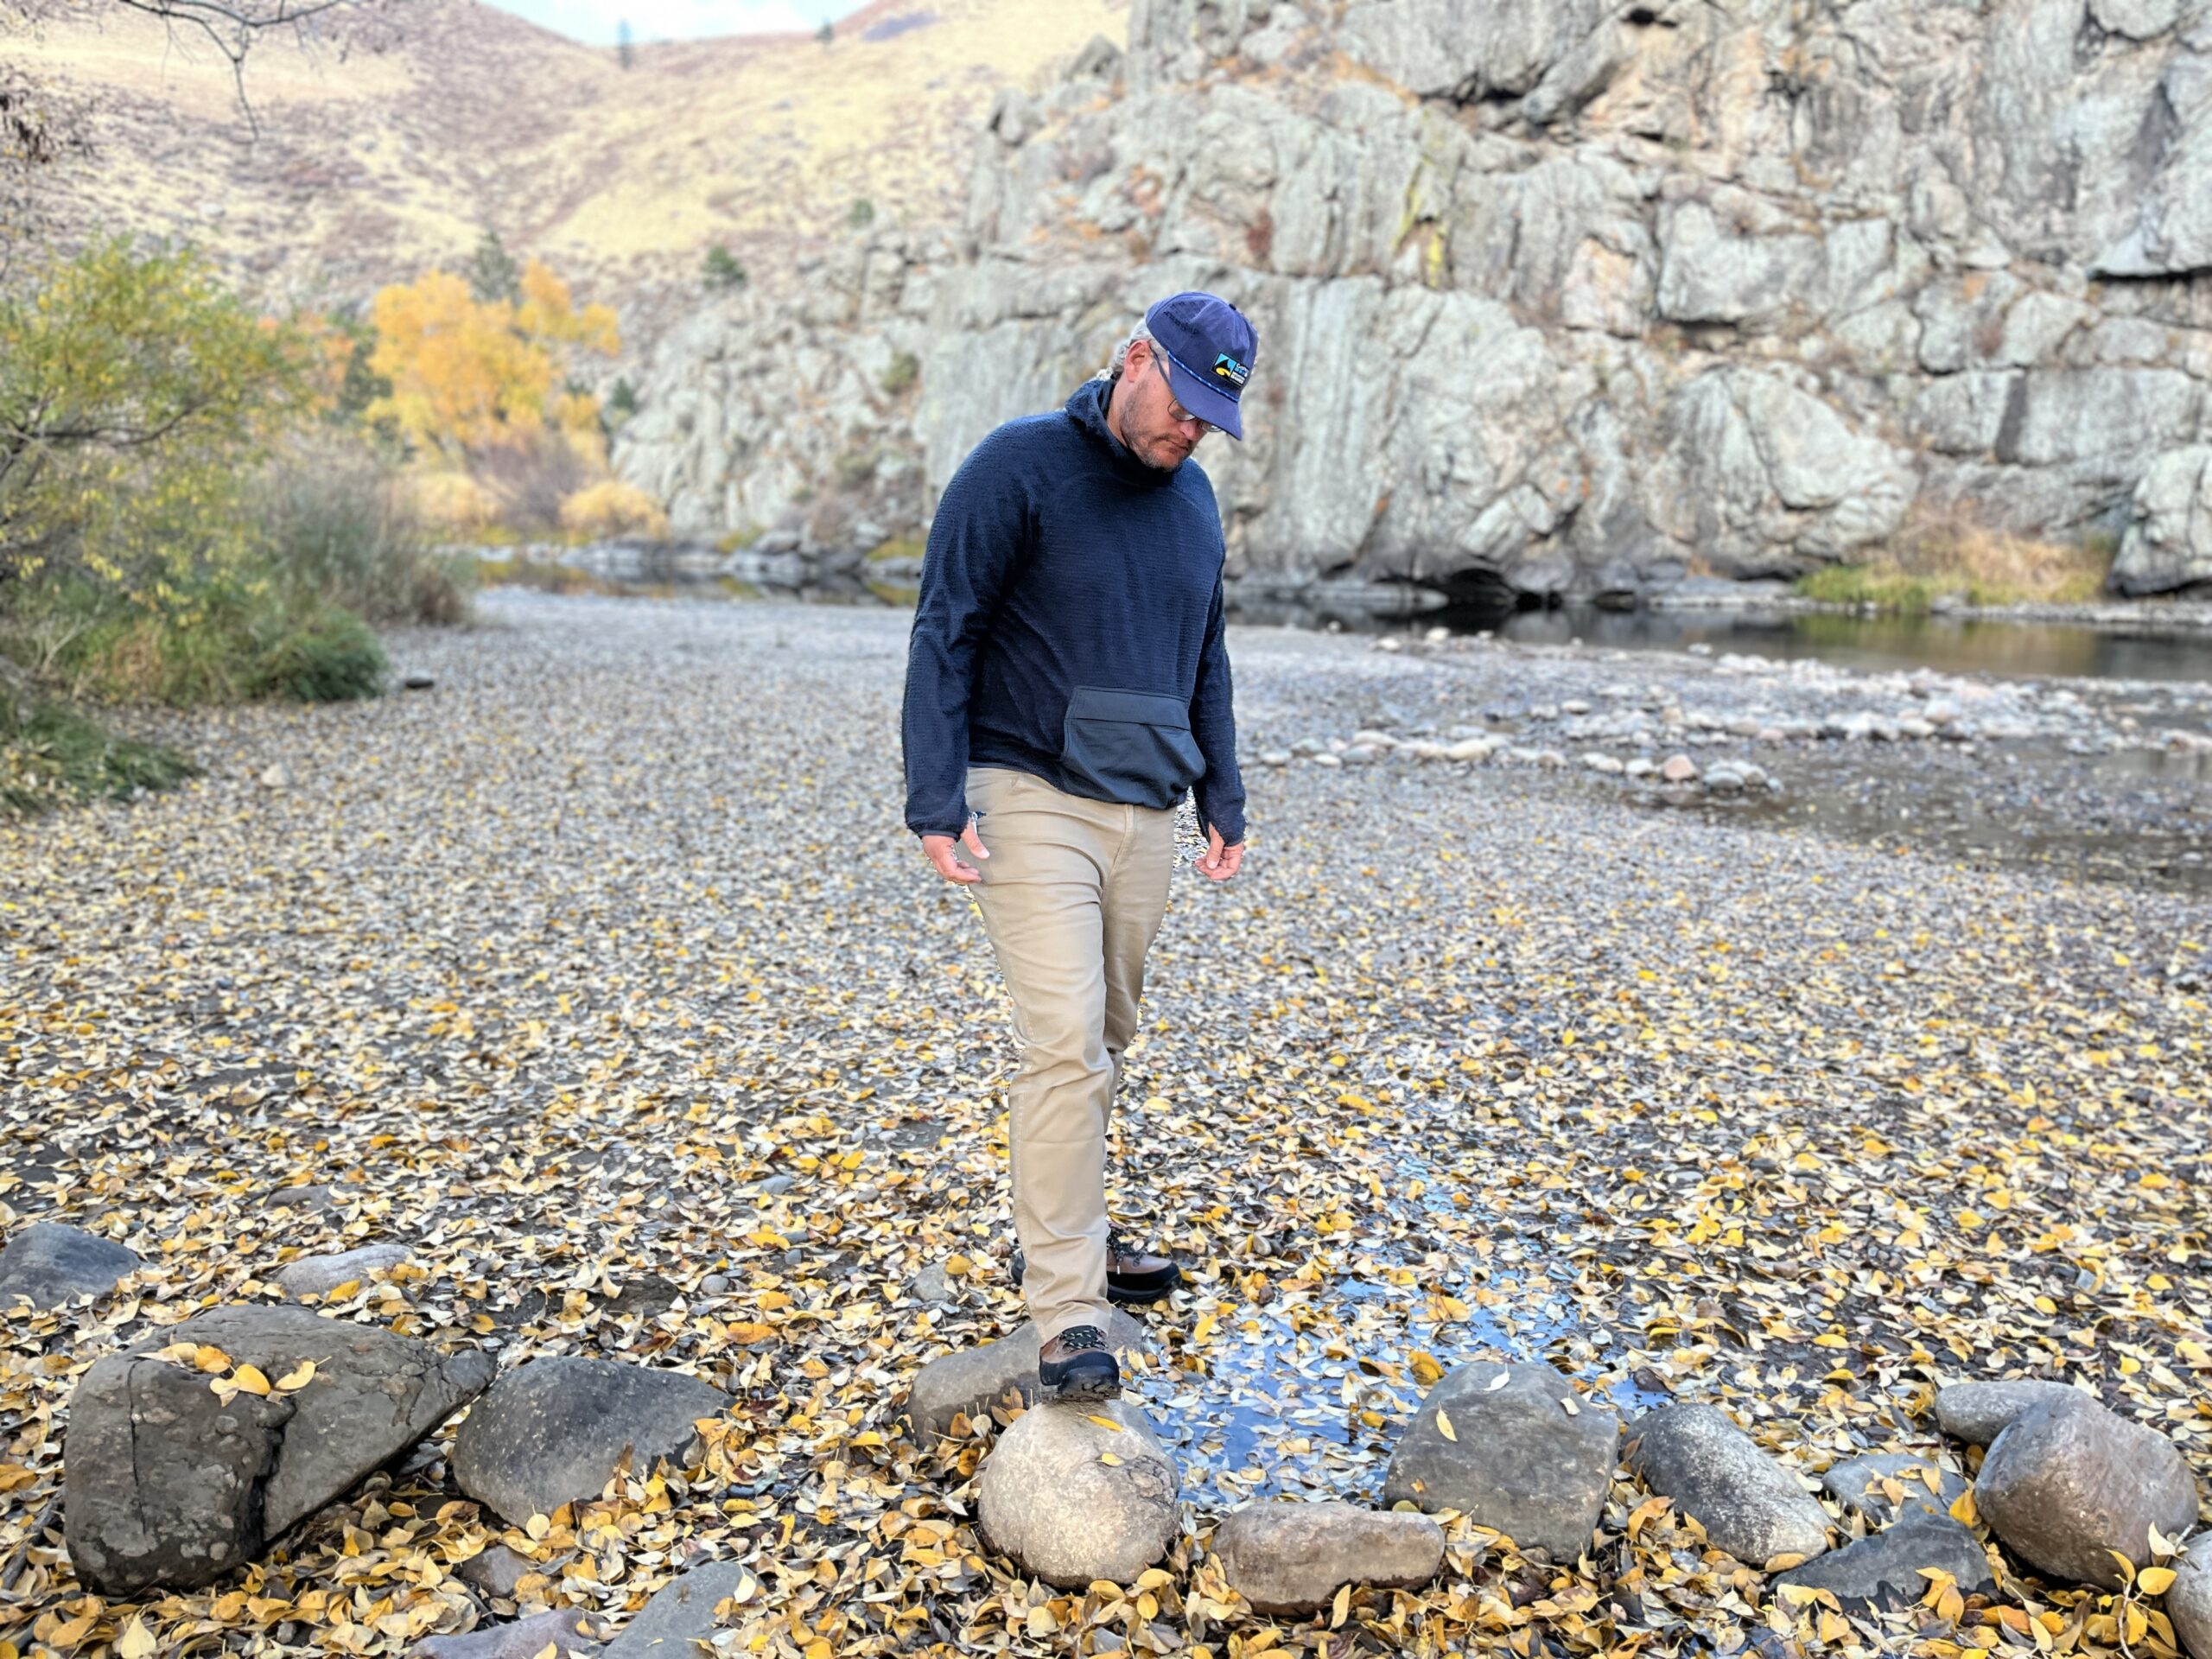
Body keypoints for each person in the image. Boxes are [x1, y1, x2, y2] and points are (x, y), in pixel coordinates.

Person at [899, 291, 1255, 1402]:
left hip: (1148, 805)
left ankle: (1073, 1227)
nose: (1188, 431)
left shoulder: (1193, 502)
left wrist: (1224, 794)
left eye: (1210, 419)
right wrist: (934, 792)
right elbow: (943, 625)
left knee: (1104, 1035)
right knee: (1062, 1042)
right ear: (1135, 358)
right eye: (1183, 404)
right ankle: (1066, 1311)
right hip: (1028, 790)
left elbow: (1206, 656)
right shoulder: (1017, 467)